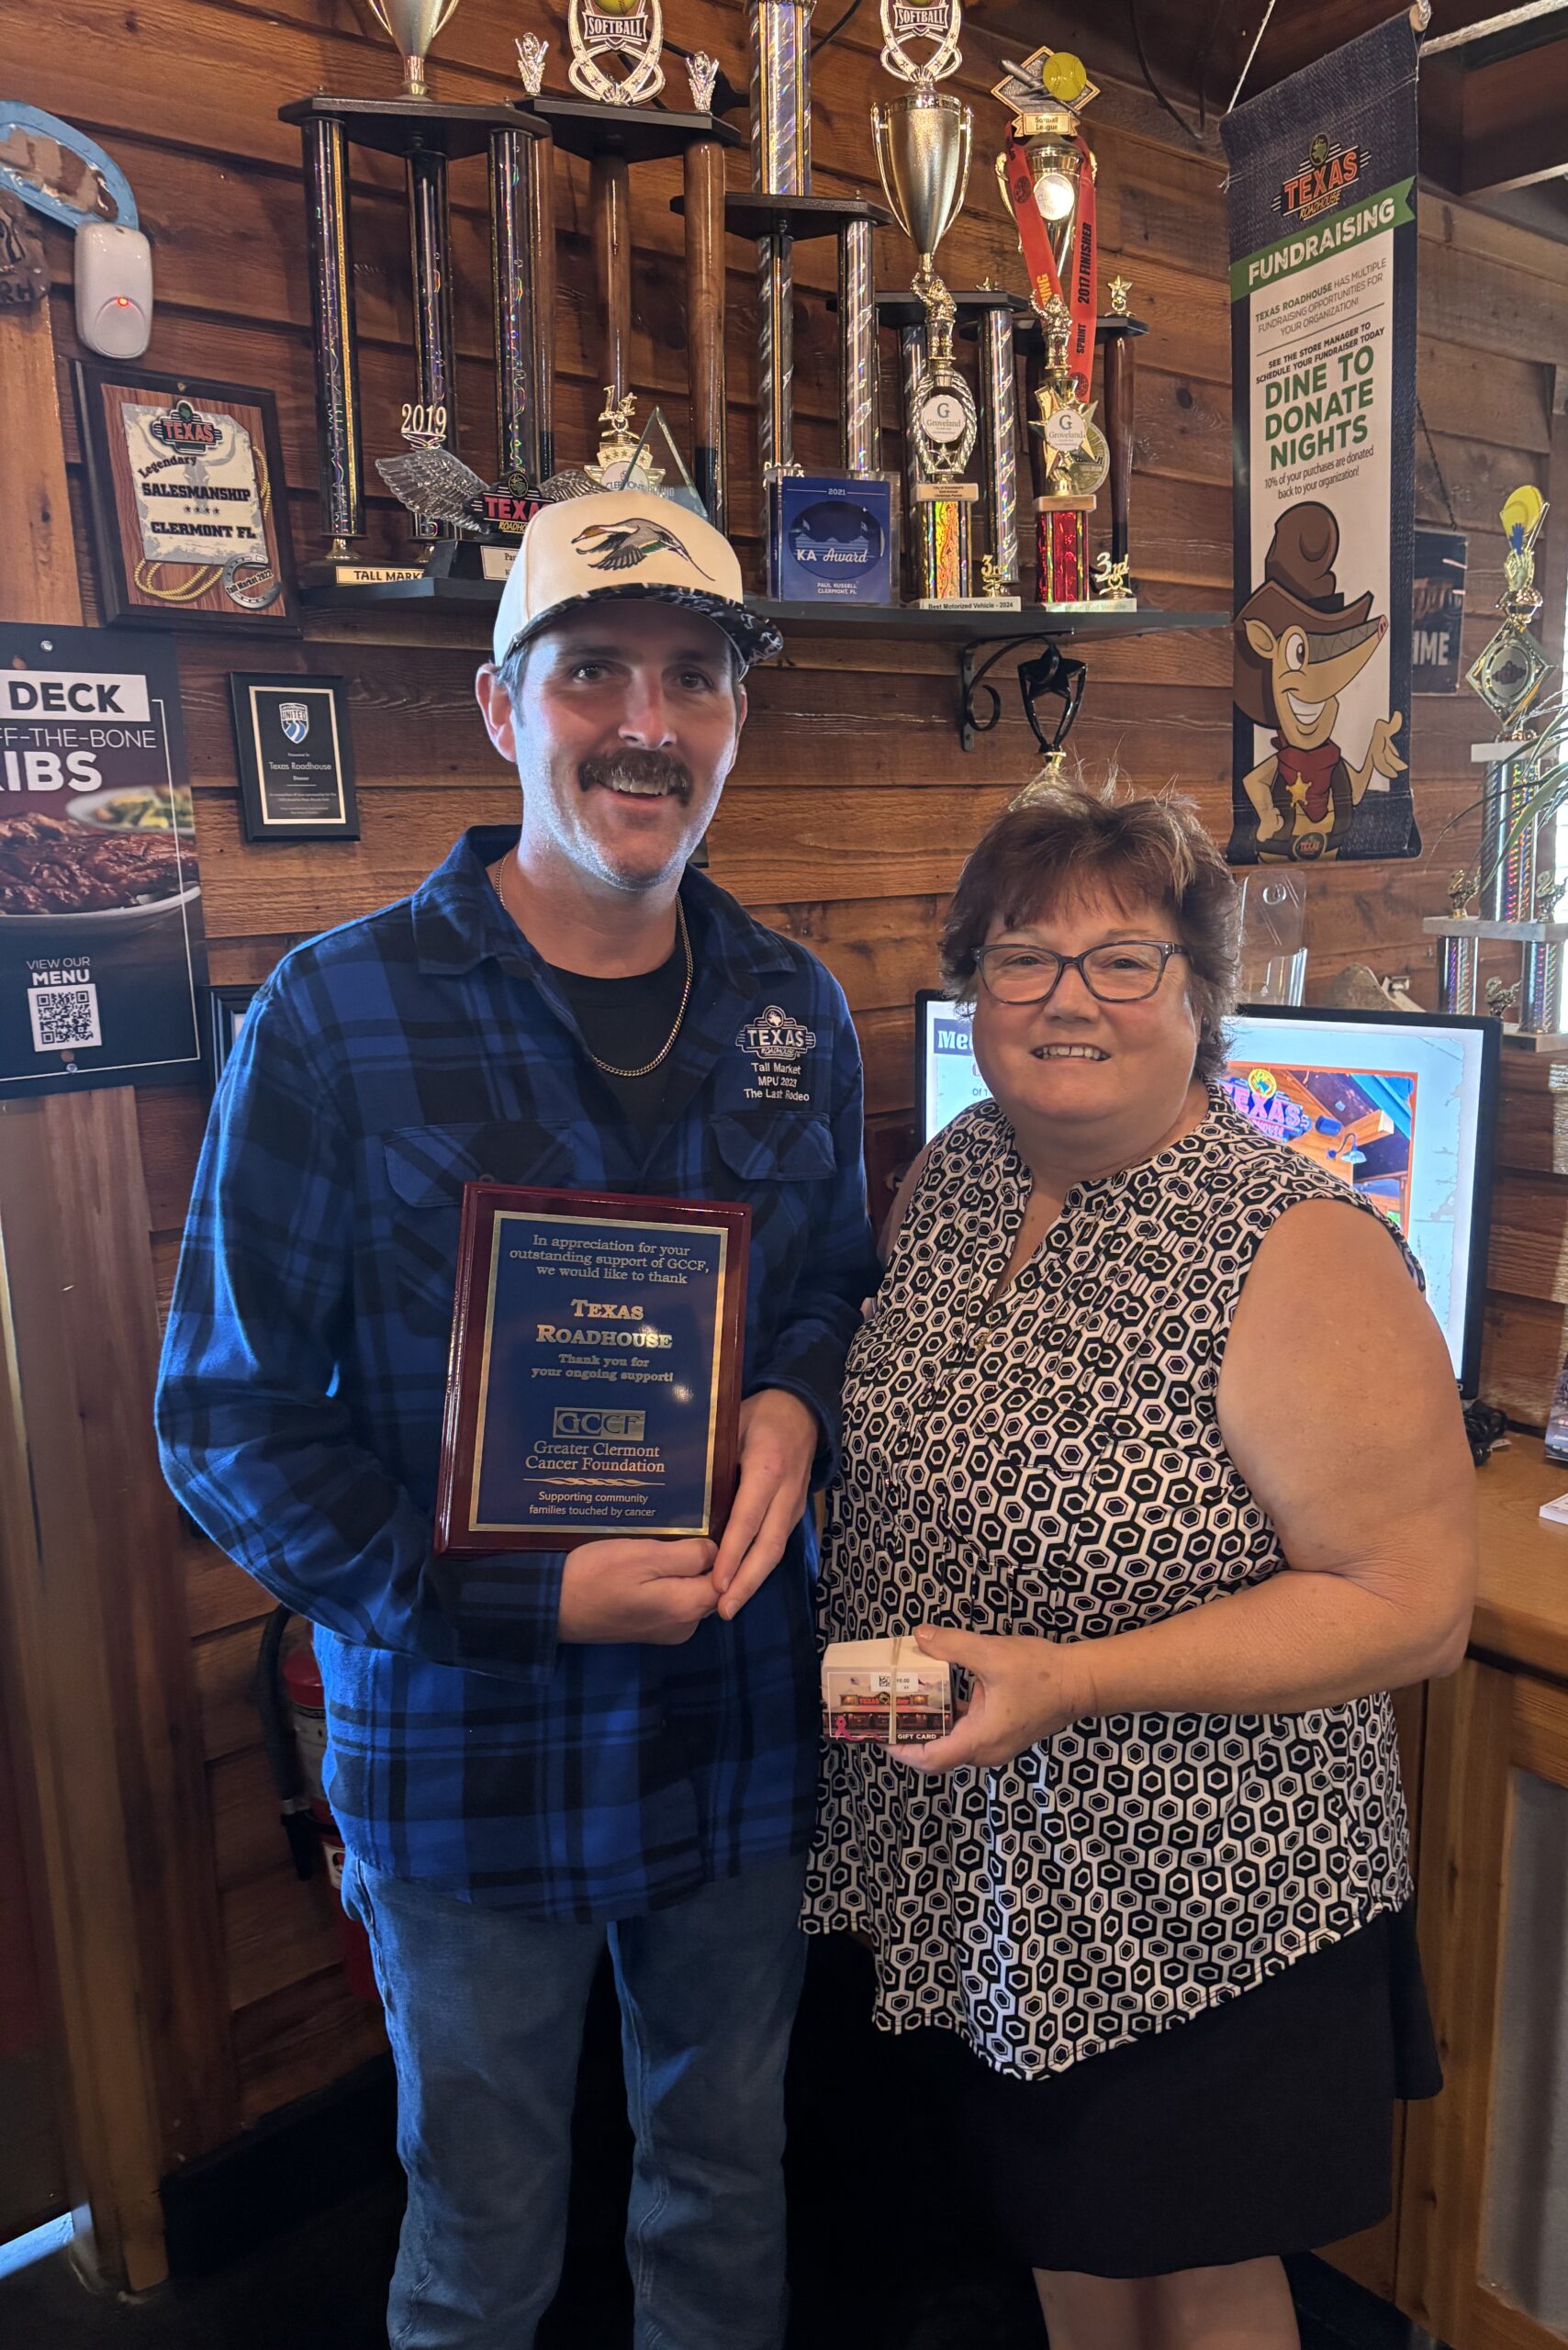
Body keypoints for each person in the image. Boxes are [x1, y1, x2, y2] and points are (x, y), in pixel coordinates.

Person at [158, 490, 876, 2350]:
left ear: (734, 717)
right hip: (470, 1759)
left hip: (731, 1734)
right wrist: (517, 1599)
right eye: (598, 670)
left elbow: (827, 1283)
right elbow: (225, 1419)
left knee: (725, 2189)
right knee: (477, 2244)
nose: (650, 718)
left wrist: (799, 1396)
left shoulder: (797, 1008)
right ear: (503, 707)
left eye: (696, 677)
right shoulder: (333, 1017)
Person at [803, 780, 1475, 2350]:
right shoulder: (962, 1169)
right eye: (1022, 957)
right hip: (987, 1875)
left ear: (1205, 995)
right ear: (973, 988)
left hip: (1205, 1890)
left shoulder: (1298, 1242)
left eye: (1126, 960)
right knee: (1073, 2252)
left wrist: (1079, 1680)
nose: (1066, 998)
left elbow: (1416, 1606)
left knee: (1205, 2273)